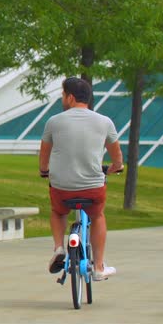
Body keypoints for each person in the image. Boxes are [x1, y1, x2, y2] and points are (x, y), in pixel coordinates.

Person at [39, 77, 124, 281]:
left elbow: (44, 154)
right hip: (92, 188)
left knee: (58, 212)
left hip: (62, 187)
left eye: (63, 94)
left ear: (70, 97)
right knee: (97, 216)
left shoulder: (53, 121)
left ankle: (59, 248)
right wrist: (116, 168)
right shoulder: (105, 121)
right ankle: (99, 267)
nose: (62, 98)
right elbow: (117, 156)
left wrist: (44, 170)